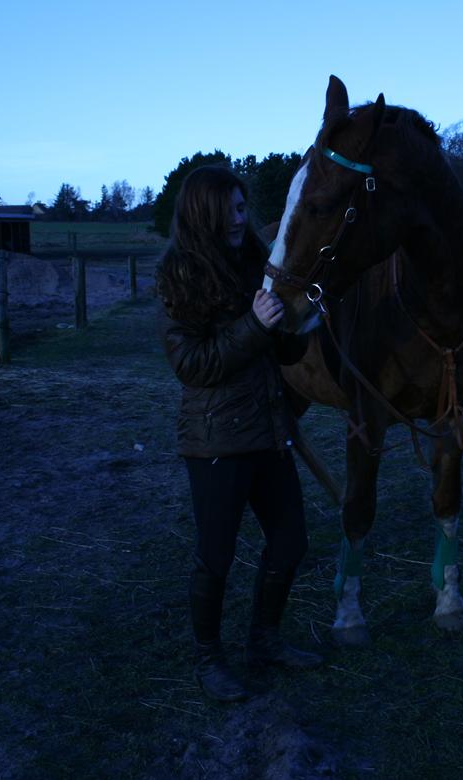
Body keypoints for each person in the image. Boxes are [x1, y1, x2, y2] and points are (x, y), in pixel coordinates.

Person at [155, 165, 322, 703]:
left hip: (269, 429)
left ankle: (264, 641)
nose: (238, 217)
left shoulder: (260, 263)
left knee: (291, 541)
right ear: (202, 213)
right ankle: (209, 659)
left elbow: (281, 351)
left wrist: (299, 326)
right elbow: (194, 365)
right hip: (214, 441)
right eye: (227, 208)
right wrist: (255, 325)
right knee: (216, 554)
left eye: (242, 207)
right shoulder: (179, 273)